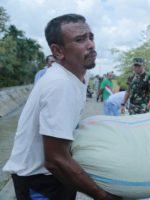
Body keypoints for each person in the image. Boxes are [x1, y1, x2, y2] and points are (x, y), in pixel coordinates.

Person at [3, 14, 118, 200]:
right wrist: (102, 196)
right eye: (80, 39)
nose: (91, 44)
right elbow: (55, 160)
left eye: (91, 37)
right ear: (57, 51)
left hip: (55, 176)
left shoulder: (77, 76)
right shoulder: (60, 84)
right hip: (39, 182)